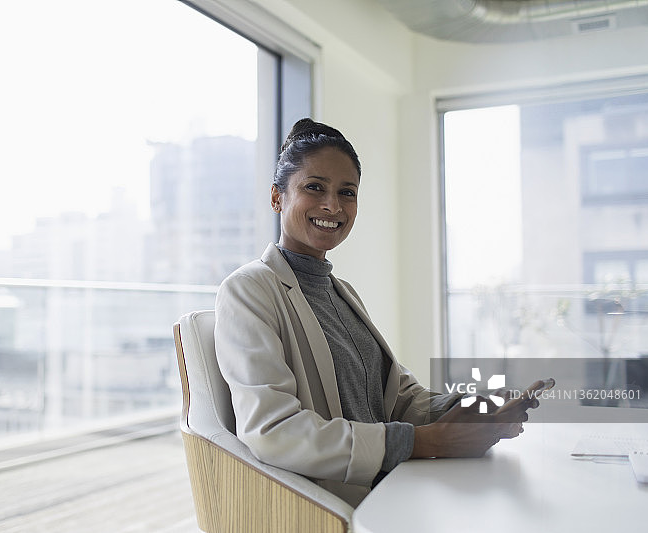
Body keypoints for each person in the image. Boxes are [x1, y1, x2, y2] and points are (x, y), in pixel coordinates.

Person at [214, 118, 538, 507]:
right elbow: (273, 431)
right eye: (314, 187)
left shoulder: (341, 292)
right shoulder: (249, 289)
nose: (332, 205)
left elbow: (395, 398)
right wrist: (426, 442)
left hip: (395, 488)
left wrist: (472, 407)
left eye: (346, 192)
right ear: (276, 197)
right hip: (330, 506)